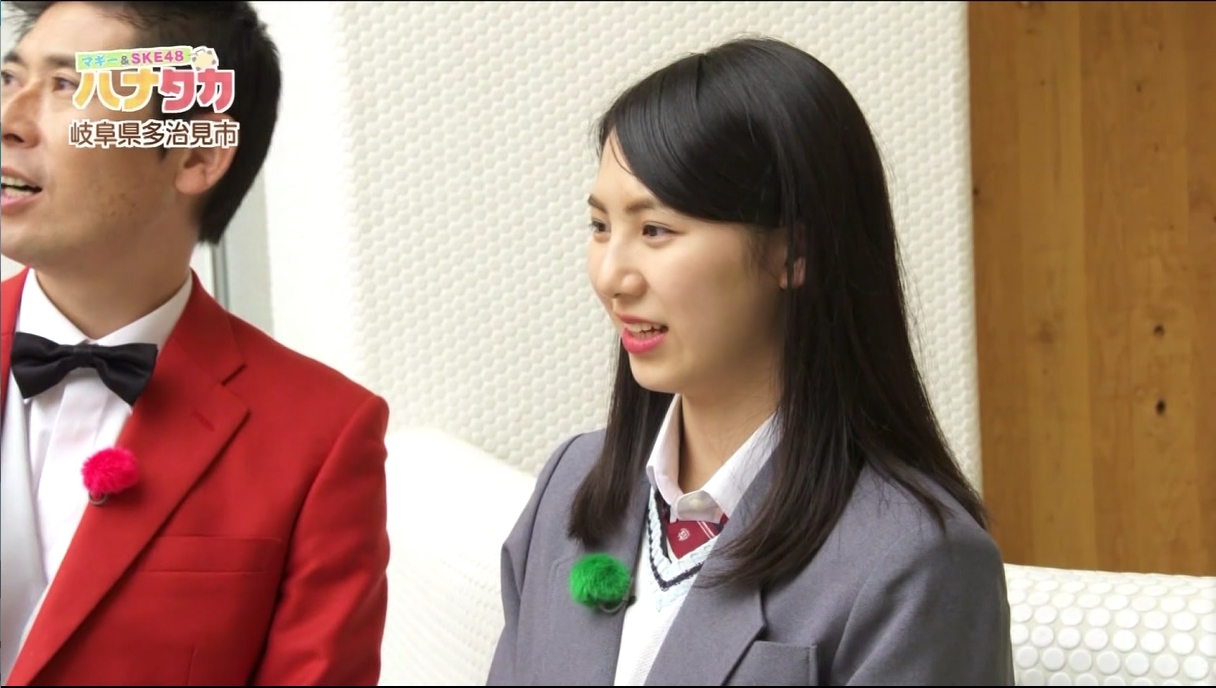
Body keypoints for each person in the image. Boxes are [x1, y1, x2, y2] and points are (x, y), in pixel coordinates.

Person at [487, 36, 1015, 686]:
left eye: (655, 230)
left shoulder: (915, 563)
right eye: (601, 227)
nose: (611, 276)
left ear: (794, 252)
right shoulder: (571, 483)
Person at [0, 2, 390, 684]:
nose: (11, 119)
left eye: (66, 86)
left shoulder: (322, 435)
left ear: (197, 154)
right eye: (10, 79)